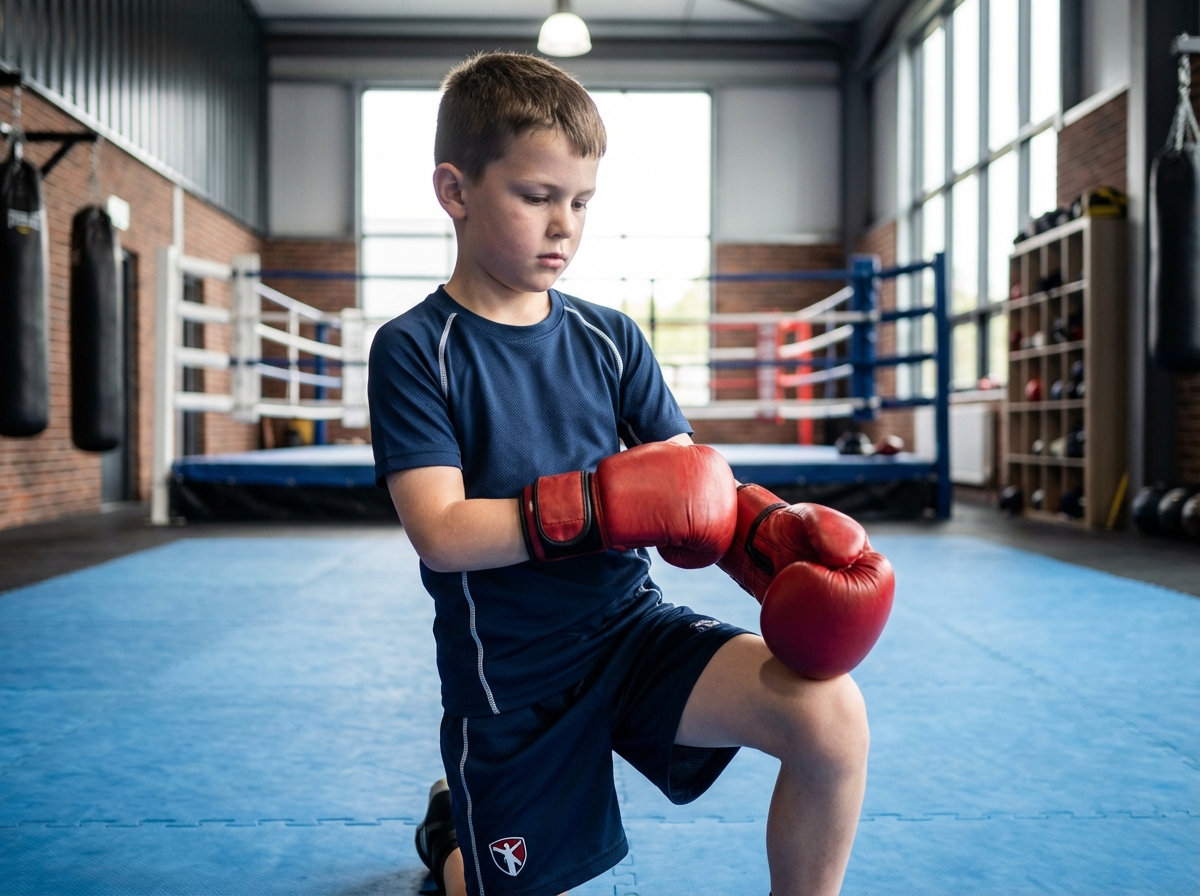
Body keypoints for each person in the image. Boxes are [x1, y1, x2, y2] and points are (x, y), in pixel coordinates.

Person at [369, 51, 883, 896]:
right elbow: (442, 531)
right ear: (455, 192)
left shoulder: (611, 339)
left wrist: (764, 534)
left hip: (630, 635)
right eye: (536, 198)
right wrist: (602, 505)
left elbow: (690, 491)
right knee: (489, 882)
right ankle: (453, 833)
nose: (564, 225)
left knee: (829, 713)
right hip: (512, 680)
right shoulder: (417, 349)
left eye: (580, 202)